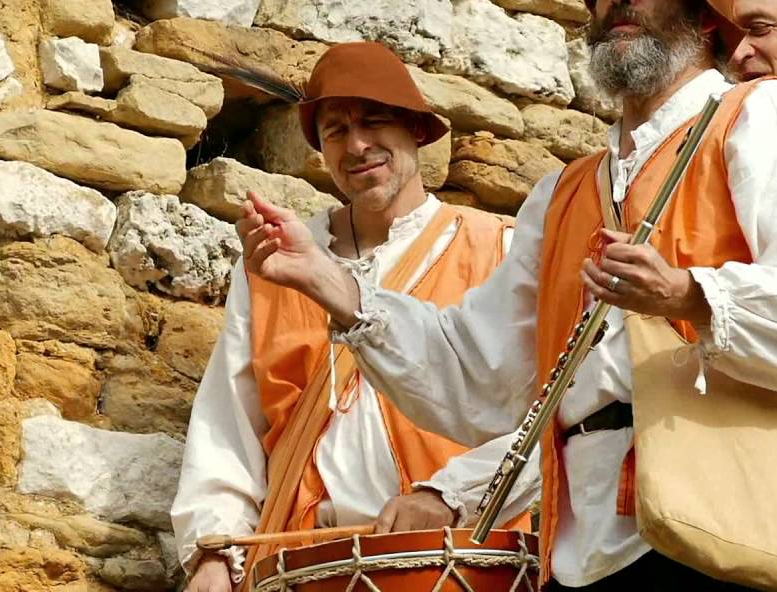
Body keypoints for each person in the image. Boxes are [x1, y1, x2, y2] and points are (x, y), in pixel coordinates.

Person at [230, 0, 777, 589]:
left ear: (707, 20)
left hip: (721, 526)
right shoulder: (563, 194)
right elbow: (479, 373)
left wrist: (690, 297)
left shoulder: (760, 115)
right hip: (584, 548)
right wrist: (328, 281)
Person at [171, 42, 540, 592]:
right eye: (336, 130)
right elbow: (229, 424)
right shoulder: (272, 265)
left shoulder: (502, 250)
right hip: (303, 565)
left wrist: (449, 496)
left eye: (375, 121)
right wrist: (214, 550)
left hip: (462, 562)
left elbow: (548, 420)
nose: (358, 144)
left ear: (416, 128)